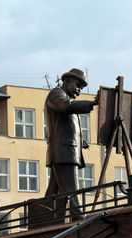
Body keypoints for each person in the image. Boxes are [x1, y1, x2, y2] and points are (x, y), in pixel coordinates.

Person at [44, 68, 98, 220]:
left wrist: (80, 141)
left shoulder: (66, 97)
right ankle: (79, 220)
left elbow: (64, 125)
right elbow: (65, 106)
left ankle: (42, 219)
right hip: (63, 151)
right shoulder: (56, 94)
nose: (79, 89)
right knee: (71, 187)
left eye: (81, 87)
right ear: (66, 81)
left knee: (53, 192)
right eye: (78, 85)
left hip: (66, 150)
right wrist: (91, 103)